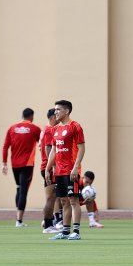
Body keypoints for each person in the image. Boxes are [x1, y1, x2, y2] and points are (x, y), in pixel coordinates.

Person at [45, 99, 85, 240]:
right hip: (60, 171)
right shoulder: (56, 129)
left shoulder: (75, 127)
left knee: (73, 200)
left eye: (58, 109)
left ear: (66, 111)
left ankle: (76, 232)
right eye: (55, 110)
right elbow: (54, 151)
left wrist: (75, 167)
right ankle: (65, 231)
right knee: (63, 201)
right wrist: (48, 168)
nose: (55, 112)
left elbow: (81, 148)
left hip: (71, 171)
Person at [1, 107, 42, 227]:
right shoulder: (35, 129)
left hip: (15, 164)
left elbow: (5, 146)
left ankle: (18, 217)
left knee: (18, 188)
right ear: (31, 117)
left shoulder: (12, 128)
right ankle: (19, 221)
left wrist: (4, 163)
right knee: (23, 190)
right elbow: (43, 144)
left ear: (22, 116)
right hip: (27, 164)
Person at [40, 108, 61, 233]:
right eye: (56, 116)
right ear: (52, 117)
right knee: (51, 197)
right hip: (49, 167)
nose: (58, 119)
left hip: (47, 166)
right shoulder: (49, 130)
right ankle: (48, 225)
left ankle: (49, 222)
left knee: (53, 197)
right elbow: (48, 149)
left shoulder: (45, 129)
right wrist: (52, 166)